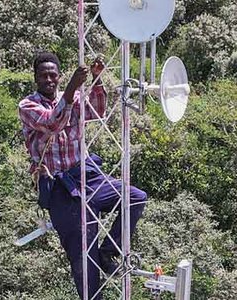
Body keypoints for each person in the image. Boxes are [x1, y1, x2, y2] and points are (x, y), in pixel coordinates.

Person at [18, 51, 147, 299]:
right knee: (82, 260)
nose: (48, 79)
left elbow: (96, 112)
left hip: (86, 175)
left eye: (52, 75)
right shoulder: (28, 106)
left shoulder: (74, 97)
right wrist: (71, 89)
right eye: (43, 75)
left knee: (135, 198)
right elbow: (52, 124)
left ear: (58, 76)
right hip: (60, 187)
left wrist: (96, 80)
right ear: (36, 77)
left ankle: (108, 251)